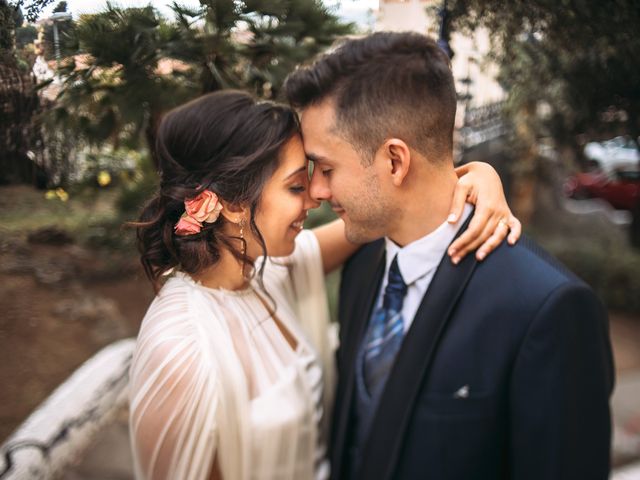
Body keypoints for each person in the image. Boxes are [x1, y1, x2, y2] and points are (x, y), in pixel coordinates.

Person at [128, 90, 519, 479]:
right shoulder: (181, 347)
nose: (315, 198)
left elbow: (375, 219)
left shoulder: (269, 275)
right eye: (297, 186)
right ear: (231, 204)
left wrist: (475, 177)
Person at [284, 31, 615, 480]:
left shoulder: (546, 310)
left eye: (326, 168)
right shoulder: (362, 265)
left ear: (395, 162)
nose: (318, 191)